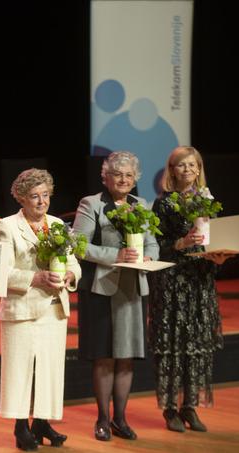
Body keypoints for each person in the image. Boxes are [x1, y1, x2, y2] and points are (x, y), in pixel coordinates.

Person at [72, 151, 159, 442]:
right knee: (105, 357)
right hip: (102, 287)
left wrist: (148, 257)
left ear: (136, 179)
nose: (123, 180)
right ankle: (102, 418)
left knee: (126, 357)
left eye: (129, 175)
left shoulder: (141, 204)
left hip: (133, 287)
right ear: (105, 177)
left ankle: (121, 418)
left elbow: (152, 242)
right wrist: (115, 255)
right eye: (117, 174)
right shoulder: (92, 204)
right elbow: (78, 246)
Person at [0, 168, 81, 451]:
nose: (42, 201)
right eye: (35, 196)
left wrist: (69, 276)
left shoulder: (57, 224)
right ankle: (20, 427)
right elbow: (2, 272)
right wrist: (35, 277)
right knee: (19, 370)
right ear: (21, 198)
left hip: (54, 309)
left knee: (50, 369)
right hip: (23, 308)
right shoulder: (7, 226)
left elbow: (73, 263)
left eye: (45, 195)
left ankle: (41, 422)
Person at [148, 146, 232, 433]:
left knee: (196, 345)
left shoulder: (207, 200)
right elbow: (154, 248)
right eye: (180, 165)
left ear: (199, 169)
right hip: (173, 283)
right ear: (172, 170)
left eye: (192, 165)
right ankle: (170, 409)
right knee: (173, 346)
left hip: (200, 280)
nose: (187, 170)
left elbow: (213, 240)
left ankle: (190, 407)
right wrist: (179, 245)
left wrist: (219, 256)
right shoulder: (164, 204)